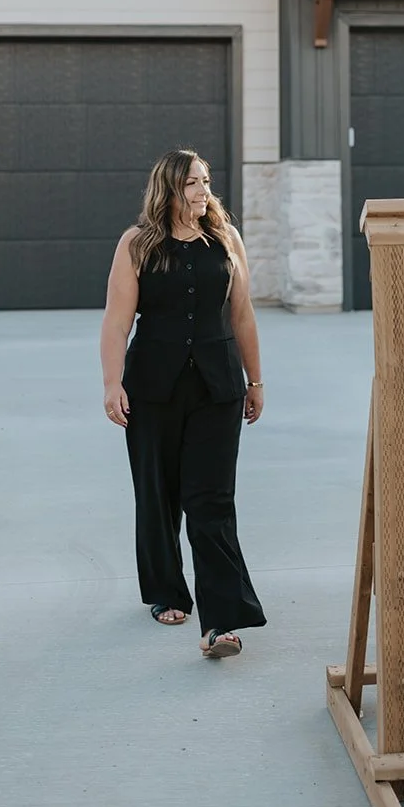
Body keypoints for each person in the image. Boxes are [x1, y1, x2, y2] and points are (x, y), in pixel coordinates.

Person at [100, 148, 266, 659]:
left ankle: (222, 622)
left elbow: (242, 316)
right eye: (191, 183)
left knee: (211, 501)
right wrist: (112, 383)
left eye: (205, 181)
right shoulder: (138, 244)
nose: (201, 190)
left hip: (218, 387)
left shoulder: (226, 240)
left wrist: (255, 381)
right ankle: (168, 592)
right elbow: (116, 321)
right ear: (168, 189)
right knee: (158, 493)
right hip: (152, 387)